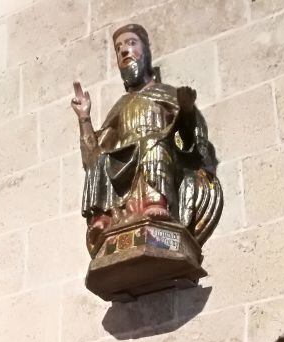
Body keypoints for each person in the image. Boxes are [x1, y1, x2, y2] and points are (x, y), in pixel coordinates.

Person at [71, 24, 222, 256]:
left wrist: (187, 112)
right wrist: (84, 118)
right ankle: (103, 218)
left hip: (161, 153)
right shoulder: (121, 106)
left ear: (146, 51)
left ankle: (156, 204)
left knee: (152, 143)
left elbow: (189, 144)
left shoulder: (167, 94)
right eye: (118, 47)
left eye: (131, 43)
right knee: (101, 160)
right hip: (127, 161)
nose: (123, 51)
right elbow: (91, 156)